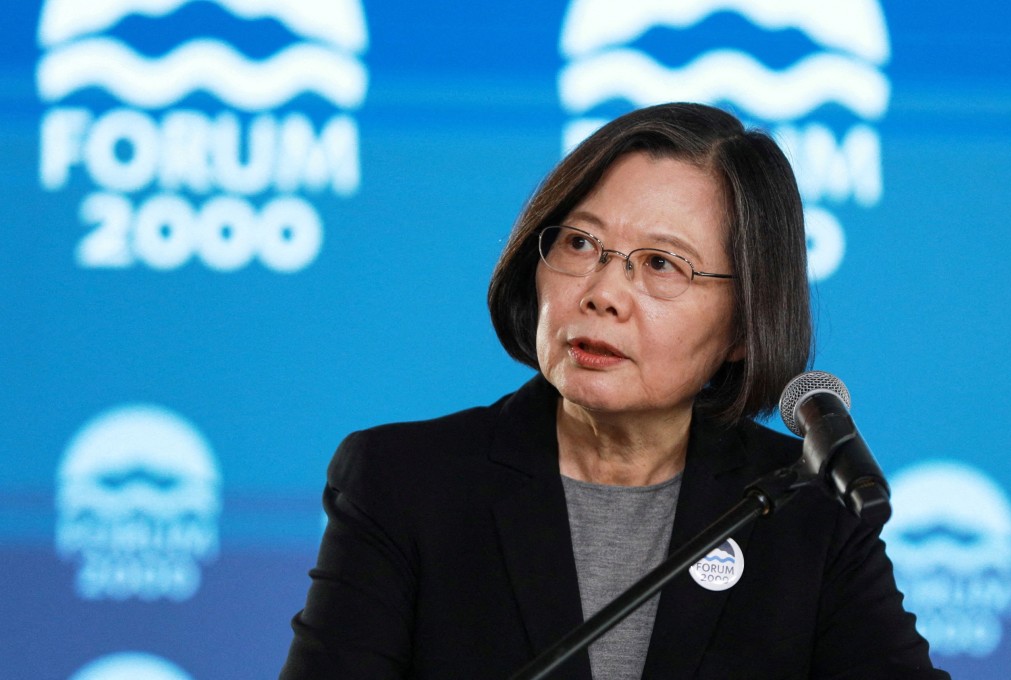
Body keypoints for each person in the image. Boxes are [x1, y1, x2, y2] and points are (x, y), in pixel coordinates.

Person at [280, 103, 947, 679]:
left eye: (661, 263)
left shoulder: (808, 513)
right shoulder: (404, 484)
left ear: (746, 324)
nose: (601, 293)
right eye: (579, 243)